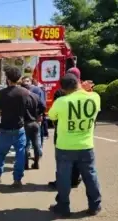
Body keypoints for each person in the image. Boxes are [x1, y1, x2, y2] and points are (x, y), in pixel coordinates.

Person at [48, 73, 101, 217]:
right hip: (86, 145)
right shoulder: (95, 97)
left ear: (63, 89)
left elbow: (52, 116)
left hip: (65, 146)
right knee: (90, 176)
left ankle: (63, 207)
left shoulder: (62, 101)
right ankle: (95, 205)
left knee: (64, 177)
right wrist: (85, 89)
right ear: (79, 82)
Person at [48, 67, 93, 189]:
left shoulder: (60, 93)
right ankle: (75, 179)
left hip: (63, 132)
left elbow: (53, 115)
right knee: (82, 163)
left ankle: (61, 184)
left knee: (62, 162)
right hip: (84, 133)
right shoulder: (89, 94)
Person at [0, 65, 28, 188]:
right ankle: (17, 179)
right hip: (19, 128)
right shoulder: (24, 92)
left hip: (5, 128)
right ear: (18, 79)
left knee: (0, 153)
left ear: (7, 79)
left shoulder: (1, 93)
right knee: (20, 154)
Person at [21, 83, 46, 169]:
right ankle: (36, 163)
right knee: (36, 145)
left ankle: (25, 164)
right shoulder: (35, 96)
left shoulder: (21, 98)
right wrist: (38, 114)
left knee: (25, 145)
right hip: (35, 123)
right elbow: (43, 106)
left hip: (25, 123)